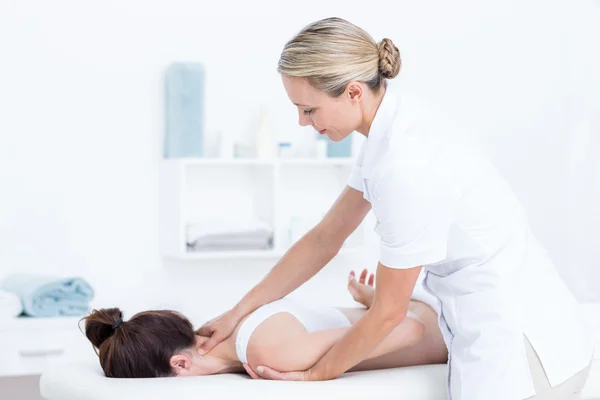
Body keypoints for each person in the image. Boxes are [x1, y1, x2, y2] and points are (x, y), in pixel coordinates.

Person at [196, 17, 594, 400]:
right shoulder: (391, 133)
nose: (302, 122)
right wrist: (239, 311)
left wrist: (317, 373)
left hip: (524, 358)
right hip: (517, 335)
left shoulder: (405, 164)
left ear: (353, 92)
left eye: (310, 109)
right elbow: (324, 238)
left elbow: (388, 314)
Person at [82, 269, 447, 378]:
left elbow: (409, 329)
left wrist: (311, 376)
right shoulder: (236, 327)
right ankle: (369, 299)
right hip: (425, 304)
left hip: (444, 329)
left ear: (180, 364)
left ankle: (372, 300)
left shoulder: (269, 352)